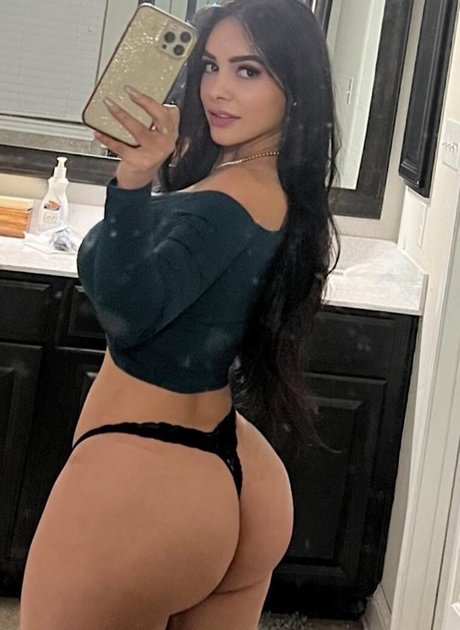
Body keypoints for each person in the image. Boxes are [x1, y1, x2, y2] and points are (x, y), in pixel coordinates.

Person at [19, 0, 340, 627]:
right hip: (237, 471)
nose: (218, 89)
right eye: (211, 66)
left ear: (295, 85)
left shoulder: (223, 203)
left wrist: (133, 180)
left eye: (249, 71)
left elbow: (130, 313)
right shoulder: (272, 188)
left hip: (145, 483)